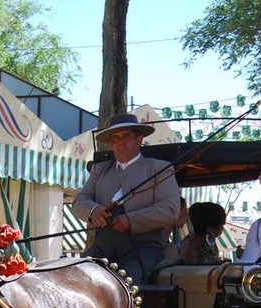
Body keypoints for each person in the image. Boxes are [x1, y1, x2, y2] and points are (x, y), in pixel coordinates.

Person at [73, 113, 182, 284]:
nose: (120, 141)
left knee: (127, 284)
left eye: (126, 136)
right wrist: (93, 211)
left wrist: (131, 220)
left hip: (142, 248)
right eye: (115, 138)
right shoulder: (99, 170)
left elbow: (169, 209)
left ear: (139, 139)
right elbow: (80, 201)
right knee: (76, 279)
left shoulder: (159, 169)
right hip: (102, 247)